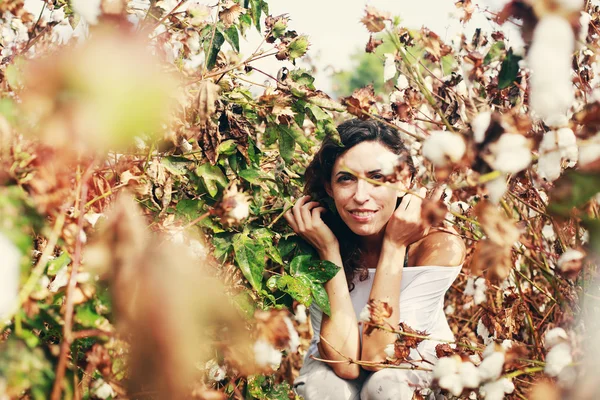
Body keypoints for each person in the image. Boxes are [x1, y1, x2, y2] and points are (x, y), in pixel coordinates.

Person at [284, 119, 466, 400]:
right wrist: (328, 251)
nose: (360, 196)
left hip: (412, 367)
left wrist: (394, 246)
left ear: (404, 181)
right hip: (336, 368)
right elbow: (344, 362)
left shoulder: (438, 246)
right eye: (346, 178)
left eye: (376, 178)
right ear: (329, 187)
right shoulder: (316, 238)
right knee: (326, 390)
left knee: (387, 388)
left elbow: (380, 355)